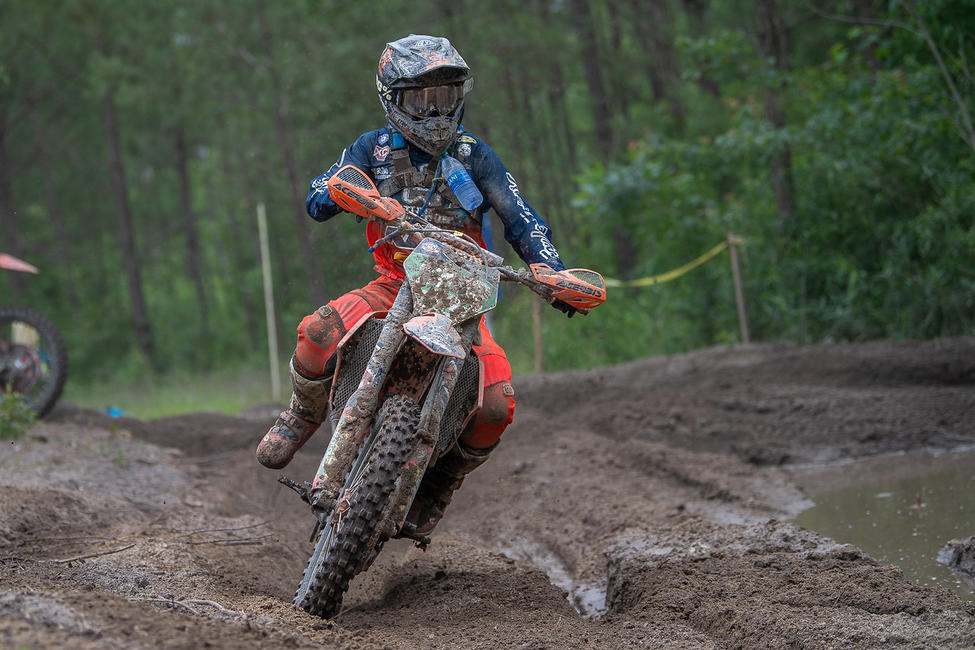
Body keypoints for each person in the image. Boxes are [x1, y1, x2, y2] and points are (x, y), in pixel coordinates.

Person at [255, 34, 576, 535]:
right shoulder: (374, 148)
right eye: (420, 99)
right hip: (394, 279)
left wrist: (550, 269)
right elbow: (320, 195)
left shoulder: (475, 156)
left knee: (497, 406)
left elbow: (522, 218)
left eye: (444, 96)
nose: (433, 111)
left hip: (463, 297)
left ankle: (440, 481)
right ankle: (303, 413)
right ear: (392, 99)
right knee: (317, 333)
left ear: (460, 96)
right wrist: (347, 193)